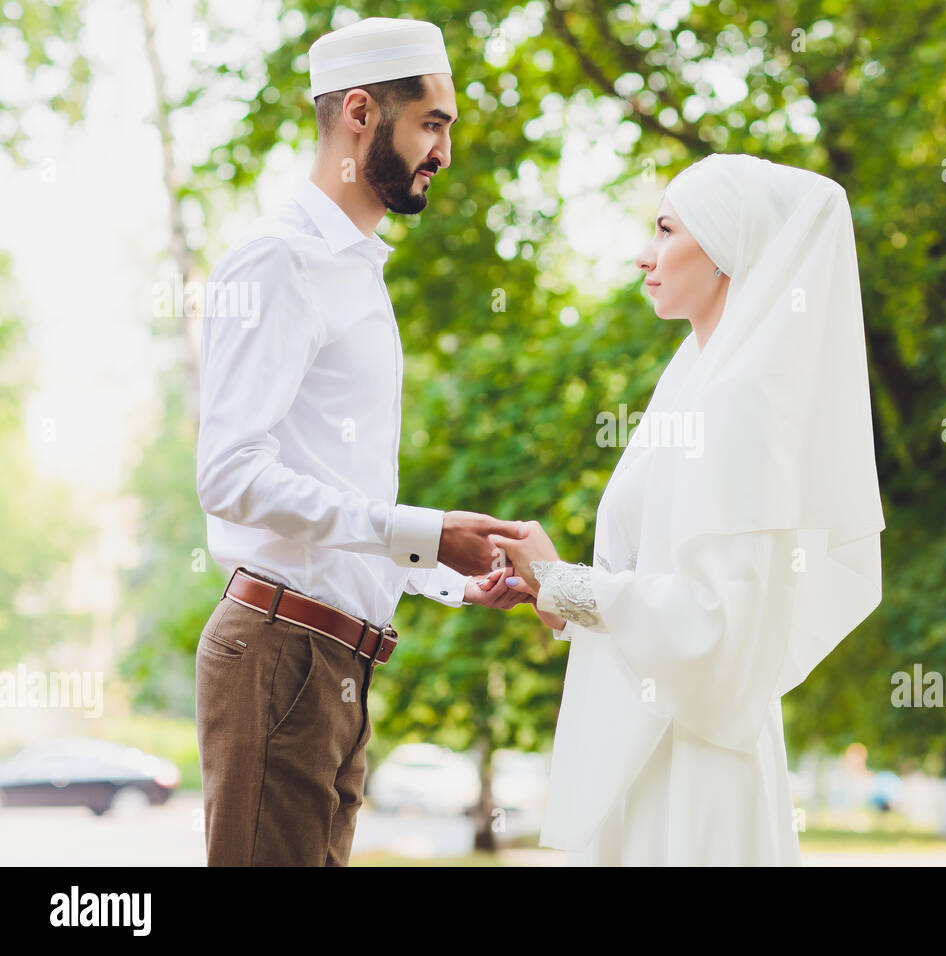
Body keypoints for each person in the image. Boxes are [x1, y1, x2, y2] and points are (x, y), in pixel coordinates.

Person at [194, 16, 531, 866]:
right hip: (282, 654)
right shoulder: (278, 262)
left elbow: (333, 501)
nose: (444, 153)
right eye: (433, 123)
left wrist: (447, 574)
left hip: (331, 660)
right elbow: (230, 476)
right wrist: (422, 530)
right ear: (359, 114)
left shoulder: (357, 271)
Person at [493, 153, 887, 865]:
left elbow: (718, 626)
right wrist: (551, 594)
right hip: (647, 745)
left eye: (667, 230)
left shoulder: (744, 403)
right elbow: (658, 584)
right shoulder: (692, 381)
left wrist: (567, 580)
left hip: (695, 776)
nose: (644, 255)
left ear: (728, 249)